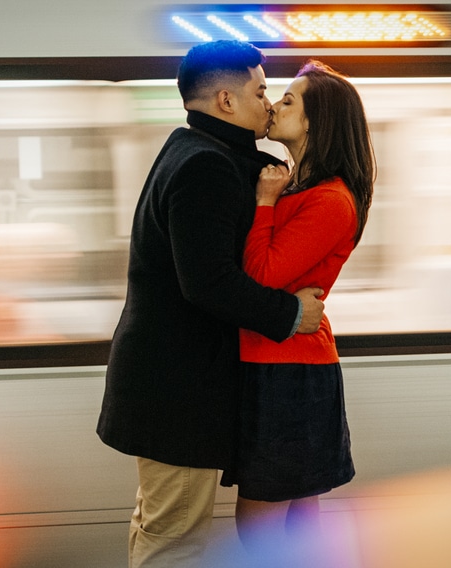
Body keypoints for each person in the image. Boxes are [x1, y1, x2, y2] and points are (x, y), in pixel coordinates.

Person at [96, 40, 326, 568]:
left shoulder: (199, 151)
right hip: (178, 393)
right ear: (226, 100)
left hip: (173, 387)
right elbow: (208, 282)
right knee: (173, 539)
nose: (268, 103)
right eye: (260, 91)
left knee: (161, 526)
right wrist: (291, 315)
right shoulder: (206, 165)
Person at [219, 60, 377, 553]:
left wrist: (265, 201)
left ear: (315, 121)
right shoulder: (298, 186)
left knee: (261, 525)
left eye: (287, 100)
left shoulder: (330, 201)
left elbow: (261, 275)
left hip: (290, 371)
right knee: (295, 521)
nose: (273, 105)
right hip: (277, 363)